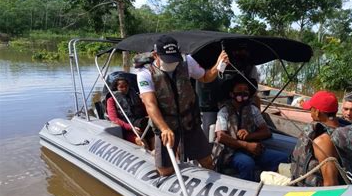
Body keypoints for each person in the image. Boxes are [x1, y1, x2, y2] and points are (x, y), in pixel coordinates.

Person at [136, 35, 229, 176]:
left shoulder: (187, 61)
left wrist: (218, 66)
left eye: (174, 58)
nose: (172, 63)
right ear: (156, 55)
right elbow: (150, 104)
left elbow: (205, 77)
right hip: (166, 123)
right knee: (165, 170)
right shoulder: (145, 73)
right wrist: (164, 128)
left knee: (207, 160)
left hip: (189, 121)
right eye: (167, 60)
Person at [212, 75, 288, 181]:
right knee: (247, 163)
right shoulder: (224, 111)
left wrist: (250, 135)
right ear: (231, 93)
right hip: (231, 152)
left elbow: (266, 131)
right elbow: (221, 136)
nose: (243, 92)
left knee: (283, 158)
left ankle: (273, 182)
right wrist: (246, 145)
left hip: (254, 149)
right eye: (239, 90)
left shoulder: (253, 110)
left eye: (246, 90)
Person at [106, 77, 154, 149]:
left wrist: (149, 116)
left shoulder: (135, 96)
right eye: (121, 87)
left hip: (141, 124)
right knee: (141, 141)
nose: (125, 89)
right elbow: (114, 119)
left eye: (126, 86)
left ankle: (157, 156)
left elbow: (145, 110)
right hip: (127, 129)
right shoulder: (111, 100)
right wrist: (131, 128)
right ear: (116, 88)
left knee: (155, 136)